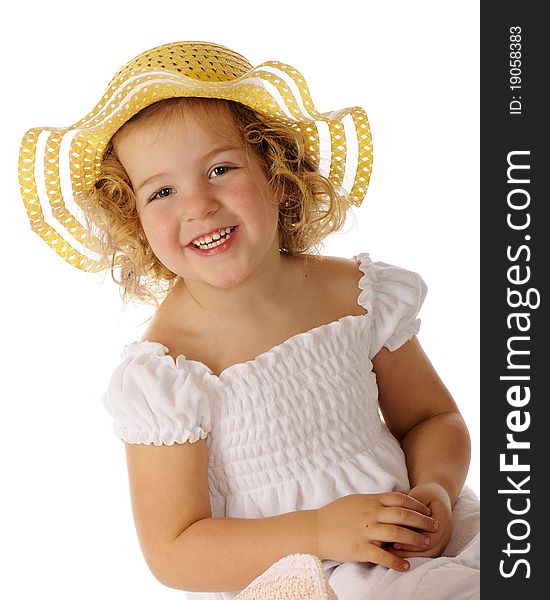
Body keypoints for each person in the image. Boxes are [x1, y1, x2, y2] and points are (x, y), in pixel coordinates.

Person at [18, 41, 480, 599]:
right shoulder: (170, 371)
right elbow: (174, 550)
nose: (197, 205)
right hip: (305, 574)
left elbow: (432, 417)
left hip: (413, 533)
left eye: (219, 168)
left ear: (277, 174)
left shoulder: (354, 295)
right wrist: (320, 531)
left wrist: (435, 486)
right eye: (161, 191)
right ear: (133, 220)